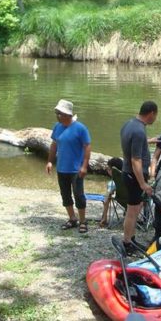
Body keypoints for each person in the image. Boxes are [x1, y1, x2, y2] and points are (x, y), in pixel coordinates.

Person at [46, 99, 92, 234]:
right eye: (57, 113)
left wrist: (84, 166)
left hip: (76, 169)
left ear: (67, 115)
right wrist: (49, 161)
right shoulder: (57, 127)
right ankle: (72, 218)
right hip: (62, 168)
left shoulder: (80, 128)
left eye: (59, 113)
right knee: (65, 194)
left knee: (79, 195)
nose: (57, 115)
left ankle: (83, 221)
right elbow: (54, 144)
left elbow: (87, 146)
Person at [119, 100, 158, 255]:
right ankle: (127, 243)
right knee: (132, 211)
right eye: (156, 115)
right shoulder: (139, 131)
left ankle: (132, 238)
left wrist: (149, 141)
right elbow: (136, 160)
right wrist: (143, 184)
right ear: (151, 114)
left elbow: (131, 144)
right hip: (134, 176)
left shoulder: (129, 124)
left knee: (135, 207)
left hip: (126, 173)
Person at [98, 157, 123, 228]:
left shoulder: (112, 183)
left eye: (108, 169)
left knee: (108, 197)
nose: (107, 170)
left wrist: (104, 217)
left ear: (113, 171)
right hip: (134, 203)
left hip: (122, 200)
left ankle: (104, 219)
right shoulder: (128, 179)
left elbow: (106, 201)